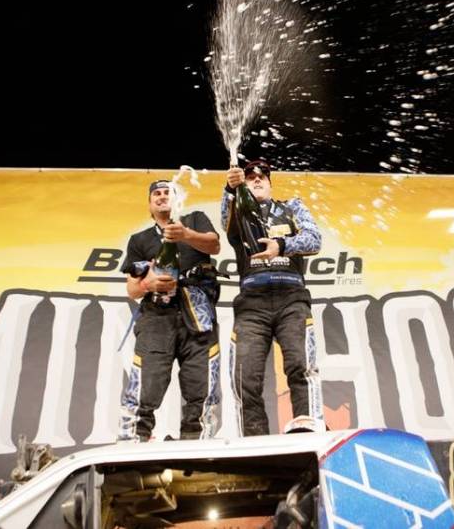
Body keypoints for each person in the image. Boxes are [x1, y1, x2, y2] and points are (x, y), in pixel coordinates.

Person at [222, 159, 325, 436]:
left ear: (269, 182)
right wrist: (230, 189)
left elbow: (315, 239)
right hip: (251, 305)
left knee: (300, 367)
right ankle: (254, 440)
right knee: (244, 377)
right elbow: (225, 219)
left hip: (291, 297)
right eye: (250, 177)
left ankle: (308, 429)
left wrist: (281, 245)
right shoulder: (238, 211)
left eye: (262, 176)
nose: (256, 179)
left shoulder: (292, 207)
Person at [118, 179, 222, 441]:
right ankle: (132, 446)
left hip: (198, 317)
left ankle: (199, 448)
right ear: (150, 204)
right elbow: (132, 290)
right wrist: (148, 283)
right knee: (146, 387)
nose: (162, 196)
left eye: (168, 192)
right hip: (156, 318)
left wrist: (184, 234)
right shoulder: (140, 239)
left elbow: (214, 245)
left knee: (201, 389)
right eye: (157, 194)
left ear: (177, 200)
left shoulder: (195, 219)